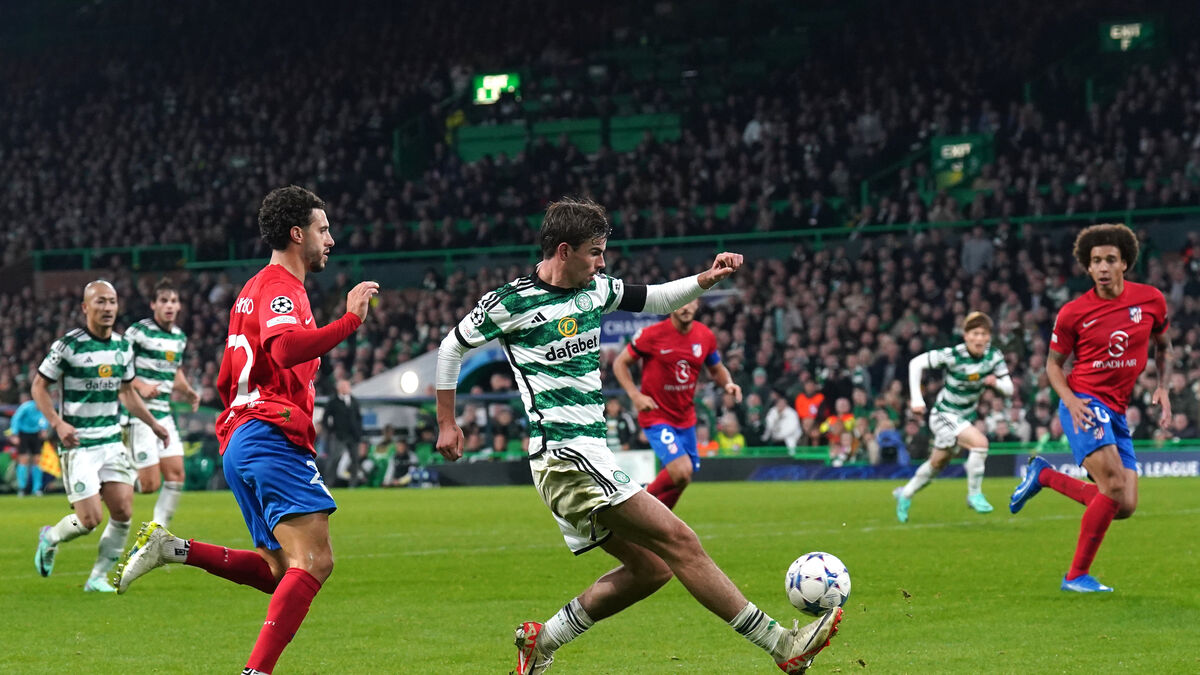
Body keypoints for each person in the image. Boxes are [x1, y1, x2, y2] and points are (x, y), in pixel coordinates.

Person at [434, 198, 840, 675]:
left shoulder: (596, 290)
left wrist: (706, 279)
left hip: (587, 457)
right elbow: (451, 347)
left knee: (653, 568)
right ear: (564, 251)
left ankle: (542, 641)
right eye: (594, 252)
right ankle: (782, 645)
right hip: (565, 457)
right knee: (681, 540)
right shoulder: (511, 302)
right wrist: (447, 421)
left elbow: (657, 298)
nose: (602, 263)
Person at [109, 185, 380, 673]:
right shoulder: (280, 287)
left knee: (279, 570)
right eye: (322, 230)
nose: (330, 240)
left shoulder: (252, 290)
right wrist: (349, 321)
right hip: (270, 434)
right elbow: (284, 349)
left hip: (242, 437)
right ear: (297, 234)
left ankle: (175, 549)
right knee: (315, 561)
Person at [1009, 223, 1172, 593]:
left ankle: (1044, 476)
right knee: (1112, 486)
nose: (1102, 267)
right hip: (1084, 402)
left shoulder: (1151, 300)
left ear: (1125, 263)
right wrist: (1070, 401)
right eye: (1095, 260)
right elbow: (1053, 365)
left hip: (1117, 410)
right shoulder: (1073, 312)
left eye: (1110, 259)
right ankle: (1075, 576)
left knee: (1124, 504)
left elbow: (1165, 346)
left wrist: (1163, 386)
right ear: (1087, 266)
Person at [32, 280, 170, 592]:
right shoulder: (68, 346)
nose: (107, 308)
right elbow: (38, 386)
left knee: (123, 511)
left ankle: (97, 578)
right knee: (89, 520)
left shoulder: (122, 347)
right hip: (79, 444)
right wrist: (57, 423)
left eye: (112, 301)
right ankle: (50, 537)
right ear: (85, 307)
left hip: (111, 440)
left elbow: (127, 393)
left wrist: (153, 424)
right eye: (100, 302)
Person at [613, 298, 740, 509]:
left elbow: (716, 369)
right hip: (656, 415)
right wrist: (635, 396)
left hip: (685, 418)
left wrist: (728, 384)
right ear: (671, 303)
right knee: (681, 470)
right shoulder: (652, 334)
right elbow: (620, 363)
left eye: (691, 301)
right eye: (681, 301)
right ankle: (636, 501)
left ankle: (656, 522)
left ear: (697, 304)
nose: (686, 307)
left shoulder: (705, 335)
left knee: (683, 478)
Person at [892, 312, 1012, 522]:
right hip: (944, 414)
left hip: (964, 417)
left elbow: (1009, 389)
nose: (979, 338)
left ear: (989, 337)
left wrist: (997, 383)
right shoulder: (953, 355)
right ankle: (974, 494)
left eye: (983, 334)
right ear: (966, 336)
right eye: (974, 333)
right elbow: (916, 363)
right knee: (980, 443)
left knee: (938, 463)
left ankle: (906, 493)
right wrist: (917, 399)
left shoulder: (994, 356)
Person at [124, 278, 200, 527]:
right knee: (149, 485)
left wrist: (188, 391)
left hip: (164, 413)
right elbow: (118, 366)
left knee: (176, 474)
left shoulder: (179, 337)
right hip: (139, 415)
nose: (169, 305)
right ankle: (110, 483)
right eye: (164, 301)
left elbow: (174, 370)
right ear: (153, 305)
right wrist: (141, 386)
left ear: (179, 306)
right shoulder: (138, 332)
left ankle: (157, 532)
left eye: (173, 301)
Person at [323, 378, 365, 487]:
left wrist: (359, 432)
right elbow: (325, 418)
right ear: (339, 388)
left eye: (347, 386)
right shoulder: (333, 402)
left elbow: (359, 418)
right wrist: (331, 430)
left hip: (353, 436)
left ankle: (353, 484)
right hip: (339, 435)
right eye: (344, 386)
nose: (347, 388)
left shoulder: (354, 401)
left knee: (355, 460)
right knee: (334, 459)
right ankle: (328, 483)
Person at [11, 391, 49, 496]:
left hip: (35, 434)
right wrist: (15, 434)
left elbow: (44, 421)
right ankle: (21, 488)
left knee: (37, 460)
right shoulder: (26, 407)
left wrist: (44, 430)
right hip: (24, 434)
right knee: (24, 459)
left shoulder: (44, 408)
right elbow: (16, 419)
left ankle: (37, 489)